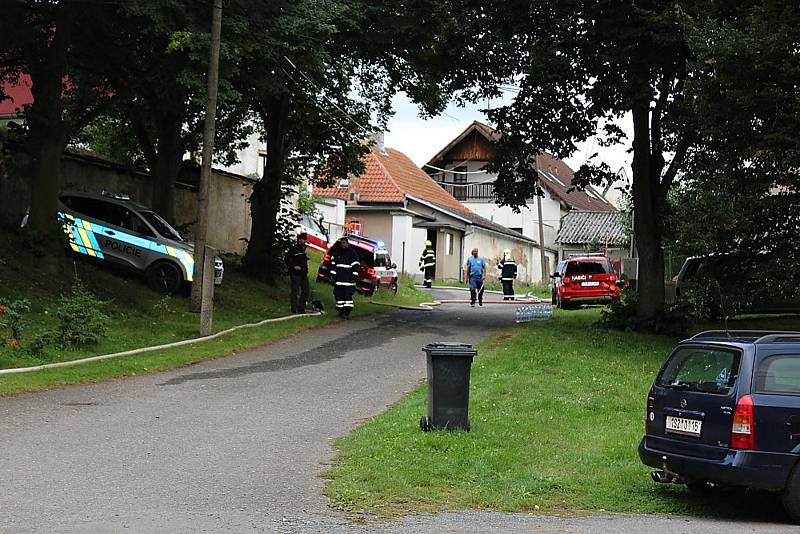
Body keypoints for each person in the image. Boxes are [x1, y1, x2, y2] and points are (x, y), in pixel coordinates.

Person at [330, 236, 360, 319]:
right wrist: (333, 275)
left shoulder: (352, 253)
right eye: (341, 243)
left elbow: (356, 265)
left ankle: (347, 311)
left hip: (348, 280)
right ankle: (340, 311)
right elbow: (333, 265)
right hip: (339, 280)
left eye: (344, 243)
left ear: (347, 243)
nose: (343, 244)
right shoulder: (337, 253)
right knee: (338, 296)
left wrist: (354, 275)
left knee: (347, 297)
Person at [286, 232, 310, 314]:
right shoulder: (294, 249)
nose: (305, 241)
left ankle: (301, 308)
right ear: (299, 240)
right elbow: (287, 259)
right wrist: (293, 266)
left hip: (303, 273)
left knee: (306, 290)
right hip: (295, 273)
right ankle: (294, 308)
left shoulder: (304, 249)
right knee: (295, 290)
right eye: (303, 239)